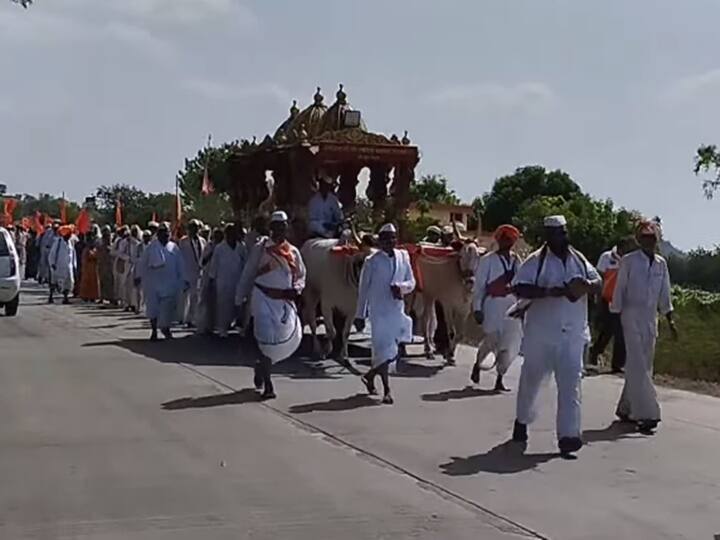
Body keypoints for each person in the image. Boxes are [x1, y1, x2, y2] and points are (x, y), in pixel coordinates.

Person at [511, 215, 602, 457]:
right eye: (554, 234)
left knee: (571, 385)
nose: (559, 238)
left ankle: (568, 437)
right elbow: (519, 287)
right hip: (541, 334)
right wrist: (552, 291)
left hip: (572, 335)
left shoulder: (579, 260)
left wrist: (585, 285)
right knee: (532, 382)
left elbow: (598, 282)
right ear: (547, 237)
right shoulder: (535, 261)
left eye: (562, 233)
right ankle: (522, 422)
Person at [610, 220, 676, 434]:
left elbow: (665, 294)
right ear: (639, 239)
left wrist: (670, 319)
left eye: (653, 238)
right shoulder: (629, 261)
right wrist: (615, 315)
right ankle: (647, 413)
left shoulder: (661, 264)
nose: (649, 241)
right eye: (645, 237)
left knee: (644, 365)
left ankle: (626, 407)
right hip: (630, 316)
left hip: (650, 319)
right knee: (637, 363)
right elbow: (619, 289)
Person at [236, 211, 306, 400]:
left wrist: (297, 289)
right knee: (266, 338)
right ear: (271, 228)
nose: (279, 230)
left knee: (282, 340)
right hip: (263, 299)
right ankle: (268, 384)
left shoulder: (293, 251)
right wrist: (239, 298)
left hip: (284, 302)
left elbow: (300, 275)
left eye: (283, 226)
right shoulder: (261, 249)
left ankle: (261, 367)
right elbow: (249, 273)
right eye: (276, 227)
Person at [354, 223, 416, 404]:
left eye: (393, 237)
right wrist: (360, 315)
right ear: (379, 241)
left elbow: (411, 282)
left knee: (393, 351)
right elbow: (363, 290)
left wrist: (402, 288)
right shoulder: (371, 262)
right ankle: (387, 390)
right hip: (379, 313)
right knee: (383, 351)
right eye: (386, 238)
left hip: (397, 311)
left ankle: (370, 375)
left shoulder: (403, 257)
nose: (390, 241)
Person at [470, 224, 524, 391]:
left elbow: (522, 284)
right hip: (493, 305)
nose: (506, 242)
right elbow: (479, 287)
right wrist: (477, 308)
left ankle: (499, 378)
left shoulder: (517, 261)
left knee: (508, 345)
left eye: (509, 239)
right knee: (491, 340)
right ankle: (478, 364)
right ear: (498, 240)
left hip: (512, 307)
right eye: (503, 238)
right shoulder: (488, 260)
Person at [588, 237, 637, 373]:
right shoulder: (607, 257)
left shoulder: (629, 261)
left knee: (621, 332)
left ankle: (617, 364)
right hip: (607, 298)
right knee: (607, 330)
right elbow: (599, 276)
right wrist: (597, 298)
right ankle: (595, 351)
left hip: (622, 300)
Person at [137, 222, 188, 341]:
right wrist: (138, 276)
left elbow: (181, 265)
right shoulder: (151, 247)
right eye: (162, 232)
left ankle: (166, 329)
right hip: (153, 282)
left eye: (167, 232)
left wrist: (184, 280)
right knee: (153, 308)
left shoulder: (174, 247)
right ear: (158, 234)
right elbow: (142, 263)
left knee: (168, 309)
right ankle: (154, 331)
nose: (165, 235)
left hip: (170, 283)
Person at [208, 223, 246, 338]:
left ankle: (239, 327)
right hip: (223, 281)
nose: (231, 235)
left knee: (239, 305)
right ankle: (222, 329)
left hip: (238, 281)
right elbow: (214, 265)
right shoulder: (220, 248)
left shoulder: (241, 247)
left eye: (233, 233)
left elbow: (246, 263)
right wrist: (211, 279)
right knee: (223, 306)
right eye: (229, 233)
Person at [178, 219, 207, 328]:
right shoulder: (183, 241)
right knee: (184, 297)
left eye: (196, 228)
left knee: (196, 297)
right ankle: (181, 318)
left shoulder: (203, 241)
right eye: (192, 227)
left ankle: (192, 319)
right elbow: (180, 258)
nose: (194, 230)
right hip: (186, 271)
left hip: (199, 272)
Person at [196, 228, 224, 335]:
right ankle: (204, 325)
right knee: (206, 302)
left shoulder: (223, 248)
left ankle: (216, 325)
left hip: (220, 278)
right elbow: (202, 261)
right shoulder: (209, 246)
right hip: (208, 277)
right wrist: (212, 252)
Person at [48, 225, 78, 304]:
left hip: (68, 266)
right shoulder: (58, 242)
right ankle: (50, 296)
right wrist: (52, 263)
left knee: (69, 282)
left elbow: (73, 254)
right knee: (54, 281)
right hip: (58, 265)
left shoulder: (70, 242)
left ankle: (65, 298)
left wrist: (74, 265)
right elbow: (52, 254)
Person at [78, 227, 101, 302]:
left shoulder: (94, 248)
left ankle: (92, 296)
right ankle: (86, 296)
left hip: (93, 268)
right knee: (86, 281)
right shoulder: (86, 249)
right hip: (87, 267)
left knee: (93, 282)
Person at [97, 226, 116, 305]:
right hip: (102, 265)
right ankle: (102, 297)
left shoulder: (113, 244)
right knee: (102, 282)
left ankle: (111, 298)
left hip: (110, 266)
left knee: (111, 282)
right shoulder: (100, 244)